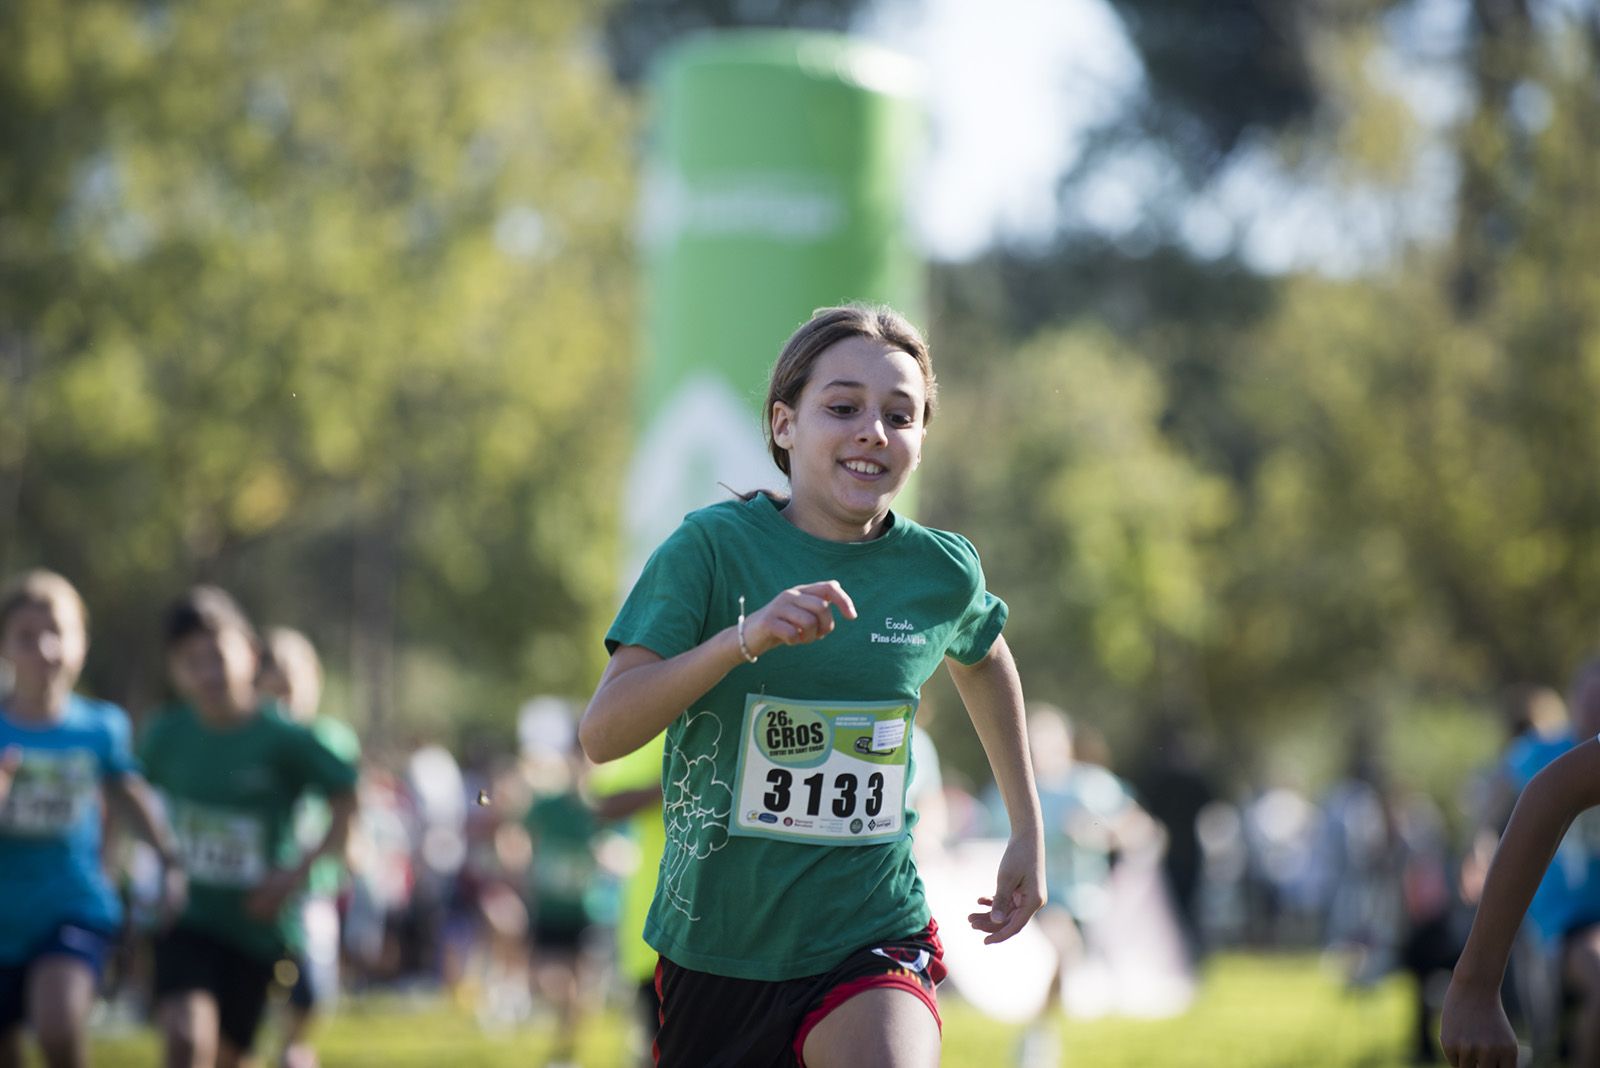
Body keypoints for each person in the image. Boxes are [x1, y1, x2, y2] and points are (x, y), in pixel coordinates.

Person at [579, 303, 1046, 1067]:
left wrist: (1026, 828)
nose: (873, 430)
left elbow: (986, 658)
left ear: (921, 442)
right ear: (785, 424)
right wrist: (741, 640)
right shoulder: (710, 548)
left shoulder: (939, 571)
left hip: (870, 929)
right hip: (717, 948)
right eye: (843, 407)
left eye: (901, 415)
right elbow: (604, 734)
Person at [141, 587, 358, 1068]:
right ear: (175, 670)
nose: (208, 672)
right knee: (183, 1038)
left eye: (217, 656)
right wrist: (156, 863)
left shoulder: (286, 739)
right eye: (191, 661)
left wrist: (295, 876)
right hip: (189, 917)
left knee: (228, 1056)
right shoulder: (165, 735)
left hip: (257, 927)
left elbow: (348, 798)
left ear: (251, 656)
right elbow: (128, 795)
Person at [0, 570, 186, 1068]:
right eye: (26, 636)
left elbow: (129, 794)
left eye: (57, 632)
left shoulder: (101, 727)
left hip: (71, 902)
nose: (44, 649)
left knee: (58, 1025)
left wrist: (170, 861)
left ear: (81, 642)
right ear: (4, 647)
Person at [1442, 660, 1600, 1068]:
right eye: (1588, 700)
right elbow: (1514, 803)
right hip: (1568, 920)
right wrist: (1478, 850)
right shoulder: (1542, 755)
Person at [256, 627, 360, 1068]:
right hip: (258, 884)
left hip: (312, 886)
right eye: (273, 690)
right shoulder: (251, 740)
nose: (285, 703)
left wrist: (354, 847)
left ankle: (293, 1049)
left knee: (313, 988)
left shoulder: (331, 739)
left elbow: (349, 805)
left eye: (292, 688)